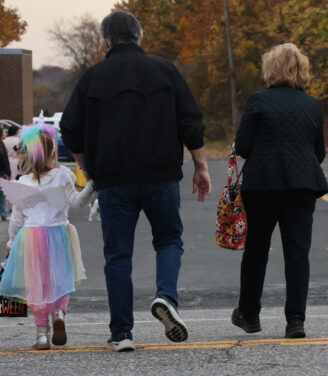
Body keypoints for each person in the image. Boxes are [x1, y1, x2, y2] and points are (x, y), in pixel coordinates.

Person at [59, 11, 211, 352]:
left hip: (113, 181)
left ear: (105, 41)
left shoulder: (92, 79)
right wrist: (201, 166)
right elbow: (190, 121)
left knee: (118, 255)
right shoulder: (166, 71)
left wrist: (88, 169)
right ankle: (166, 296)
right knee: (169, 240)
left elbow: (70, 129)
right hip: (161, 176)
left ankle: (121, 333)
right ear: (140, 37)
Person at [232, 43, 327, 339]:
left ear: (270, 69)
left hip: (262, 186)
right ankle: (295, 320)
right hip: (301, 186)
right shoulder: (312, 105)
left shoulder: (258, 100)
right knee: (298, 254)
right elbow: (318, 152)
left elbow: (244, 146)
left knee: (256, 250)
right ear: (302, 69)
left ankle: (250, 314)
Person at [0, 124, 94, 350]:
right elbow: (77, 202)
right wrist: (92, 184)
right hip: (59, 234)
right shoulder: (62, 175)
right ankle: (59, 314)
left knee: (37, 286)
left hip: (31, 238)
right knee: (62, 280)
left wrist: (11, 242)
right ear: (53, 153)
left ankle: (41, 334)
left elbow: (16, 219)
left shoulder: (22, 183)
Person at [0, 129, 11, 220]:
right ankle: (4, 214)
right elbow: (4, 161)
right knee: (2, 195)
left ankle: (4, 214)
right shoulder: (1, 146)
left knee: (2, 194)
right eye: (4, 132)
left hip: (2, 173)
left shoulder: (2, 144)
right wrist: (7, 172)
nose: (5, 133)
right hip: (2, 173)